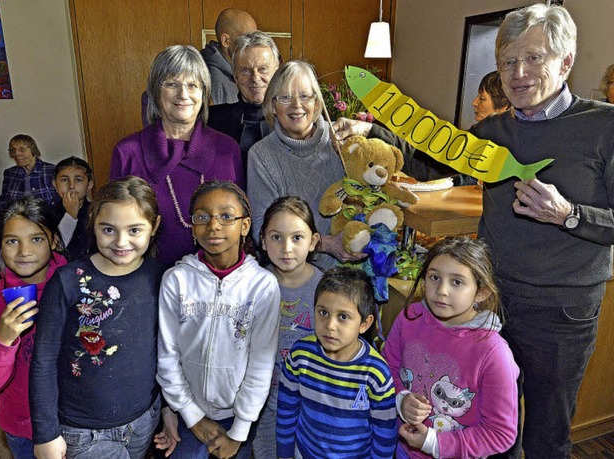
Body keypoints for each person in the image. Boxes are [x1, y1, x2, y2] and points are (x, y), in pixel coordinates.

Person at [335, 4, 614, 458]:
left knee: (547, 432)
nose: (518, 73)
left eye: (534, 58)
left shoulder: (604, 125)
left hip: (561, 311)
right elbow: (434, 158)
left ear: (565, 62)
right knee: (487, 423)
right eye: (507, 61)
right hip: (489, 305)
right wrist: (375, 134)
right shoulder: (493, 130)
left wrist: (569, 214)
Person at [29, 176, 177, 458]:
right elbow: (43, 360)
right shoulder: (67, 281)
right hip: (84, 431)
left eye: (135, 230)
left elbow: (165, 350)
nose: (121, 242)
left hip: (145, 418)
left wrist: (169, 408)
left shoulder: (160, 277)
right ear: (93, 223)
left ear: (154, 227)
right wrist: (46, 433)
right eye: (108, 229)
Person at [157, 180, 280, 459]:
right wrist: (192, 416)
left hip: (240, 416)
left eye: (226, 216)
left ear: (245, 225)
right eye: (202, 217)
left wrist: (239, 431)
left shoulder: (262, 285)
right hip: (188, 411)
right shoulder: (176, 280)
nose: (213, 226)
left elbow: (261, 365)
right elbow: (167, 355)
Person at [382, 237, 519, 458]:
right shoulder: (411, 317)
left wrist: (432, 442)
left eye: (457, 282)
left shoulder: (494, 353)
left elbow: (500, 433)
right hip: (401, 451)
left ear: (481, 292)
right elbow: (388, 368)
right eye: (435, 277)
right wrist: (402, 398)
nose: (442, 290)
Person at [111, 44, 243, 267]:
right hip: (148, 279)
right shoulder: (128, 152)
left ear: (204, 93)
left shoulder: (227, 149)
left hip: (216, 279)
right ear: (155, 91)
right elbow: (114, 226)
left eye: (193, 85)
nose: (183, 95)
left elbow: (239, 224)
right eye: (172, 84)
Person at [0, 197, 67, 459]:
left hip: (80, 419)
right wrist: (1, 341)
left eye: (36, 239)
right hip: (24, 427)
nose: (24, 251)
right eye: (12, 241)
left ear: (54, 241)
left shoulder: (77, 284)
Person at [247, 60, 360, 272]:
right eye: (285, 97)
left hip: (357, 267)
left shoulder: (342, 139)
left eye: (305, 96)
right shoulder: (261, 155)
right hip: (295, 273)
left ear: (317, 104)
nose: (296, 105)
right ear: (272, 105)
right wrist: (325, 244)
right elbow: (261, 229)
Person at [276, 266, 396, 459]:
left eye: (343, 317)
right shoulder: (300, 355)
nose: (330, 326)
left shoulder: (375, 372)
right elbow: (287, 409)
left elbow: (384, 433)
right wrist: (284, 454)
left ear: (364, 323)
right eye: (323, 312)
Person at [252, 196, 322, 458]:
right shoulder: (254, 284)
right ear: (262, 239)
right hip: (263, 404)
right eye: (276, 237)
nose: (286, 248)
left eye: (297, 237)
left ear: (314, 241)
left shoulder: (324, 290)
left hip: (309, 404)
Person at [0, 135, 59, 260]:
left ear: (33, 150)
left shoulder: (51, 170)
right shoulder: (10, 173)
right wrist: (0, 214)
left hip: (40, 216)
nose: (16, 153)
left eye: (22, 149)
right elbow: (4, 198)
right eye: (12, 150)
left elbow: (57, 199)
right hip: (14, 216)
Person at [208, 31, 280, 167]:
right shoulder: (212, 121)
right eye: (246, 70)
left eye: (263, 69)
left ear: (276, 71)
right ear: (235, 76)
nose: (255, 78)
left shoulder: (292, 121)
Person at [201, 8, 257, 105]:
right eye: (247, 38)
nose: (253, 44)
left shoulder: (238, 71)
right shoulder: (214, 81)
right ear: (226, 41)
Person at [52, 156, 94, 261]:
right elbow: (56, 248)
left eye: (78, 180)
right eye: (64, 180)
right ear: (55, 185)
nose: (71, 186)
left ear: (89, 186)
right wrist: (71, 215)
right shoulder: (47, 214)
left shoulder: (98, 212)